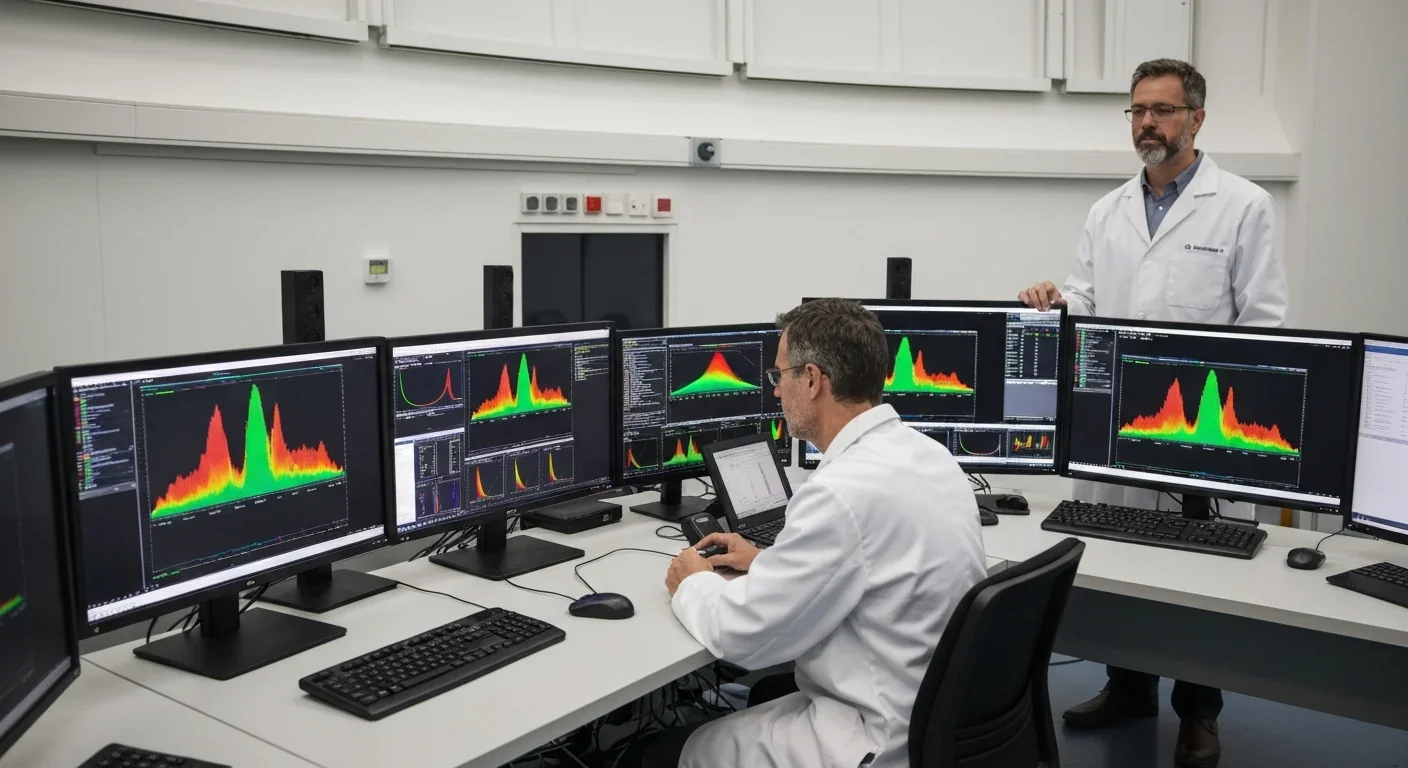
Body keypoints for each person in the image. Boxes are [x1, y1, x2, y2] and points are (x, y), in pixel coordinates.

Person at [1018, 59, 1288, 768]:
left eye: (1163, 111)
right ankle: (1127, 689)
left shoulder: (1244, 207)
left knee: (1201, 581)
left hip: (1203, 425)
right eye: (1138, 111)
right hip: (1121, 425)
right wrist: (1057, 300)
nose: (1147, 124)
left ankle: (1200, 714)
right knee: (1119, 561)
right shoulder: (1107, 211)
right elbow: (1087, 296)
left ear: (1197, 119)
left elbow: (1264, 326)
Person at [635, 298, 987, 768]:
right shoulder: (929, 456)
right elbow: (872, 571)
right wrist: (766, 562)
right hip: (936, 717)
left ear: (813, 379)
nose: (776, 392)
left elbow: (747, 637)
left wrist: (693, 580)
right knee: (767, 695)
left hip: (875, 737)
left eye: (779, 376)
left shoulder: (839, 494)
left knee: (658, 756)